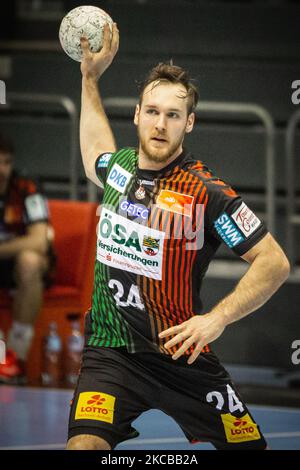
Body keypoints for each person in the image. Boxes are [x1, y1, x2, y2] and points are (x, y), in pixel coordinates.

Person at [67, 24, 290, 450]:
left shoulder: (206, 193)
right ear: (136, 115)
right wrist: (89, 79)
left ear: (189, 123)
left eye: (173, 115)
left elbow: (274, 262)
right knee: (84, 448)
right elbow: (94, 149)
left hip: (181, 356)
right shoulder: (120, 169)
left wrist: (216, 320)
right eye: (151, 111)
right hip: (112, 352)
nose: (160, 123)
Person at [0, 133, 54, 384]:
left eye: (7, 162)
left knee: (30, 260)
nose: (2, 170)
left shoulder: (27, 187)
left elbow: (39, 240)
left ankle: (16, 355)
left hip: (20, 263)